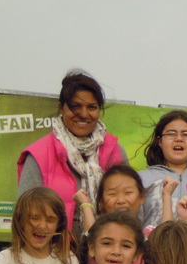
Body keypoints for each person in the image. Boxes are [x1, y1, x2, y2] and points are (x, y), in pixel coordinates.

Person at [18, 70, 127, 232]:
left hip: (105, 246)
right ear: (61, 107)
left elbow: (131, 210)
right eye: (75, 106)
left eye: (92, 107)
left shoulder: (115, 151)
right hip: (54, 247)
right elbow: (24, 215)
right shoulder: (39, 154)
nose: (83, 114)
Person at [138, 110, 187, 228]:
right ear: (160, 141)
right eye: (171, 134)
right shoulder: (141, 179)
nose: (179, 139)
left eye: (186, 134)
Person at [76, 164, 147, 236]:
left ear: (141, 197)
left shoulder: (146, 236)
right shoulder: (100, 235)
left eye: (128, 192)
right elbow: (89, 238)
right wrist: (86, 205)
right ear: (102, 201)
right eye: (112, 194)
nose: (121, 200)